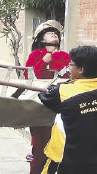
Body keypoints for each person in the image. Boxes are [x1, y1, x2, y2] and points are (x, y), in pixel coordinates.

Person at [39, 45, 97, 174]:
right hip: (95, 161)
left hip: (64, 160)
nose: (68, 67)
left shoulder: (62, 91)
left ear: (81, 70)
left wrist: (63, 84)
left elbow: (45, 96)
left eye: (71, 64)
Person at [24, 20, 70, 174]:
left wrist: (58, 61)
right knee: (39, 147)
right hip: (39, 106)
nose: (54, 34)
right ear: (41, 38)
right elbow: (29, 76)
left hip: (61, 106)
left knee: (61, 146)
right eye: (50, 33)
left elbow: (69, 76)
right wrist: (45, 61)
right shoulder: (35, 55)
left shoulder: (65, 56)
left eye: (56, 33)